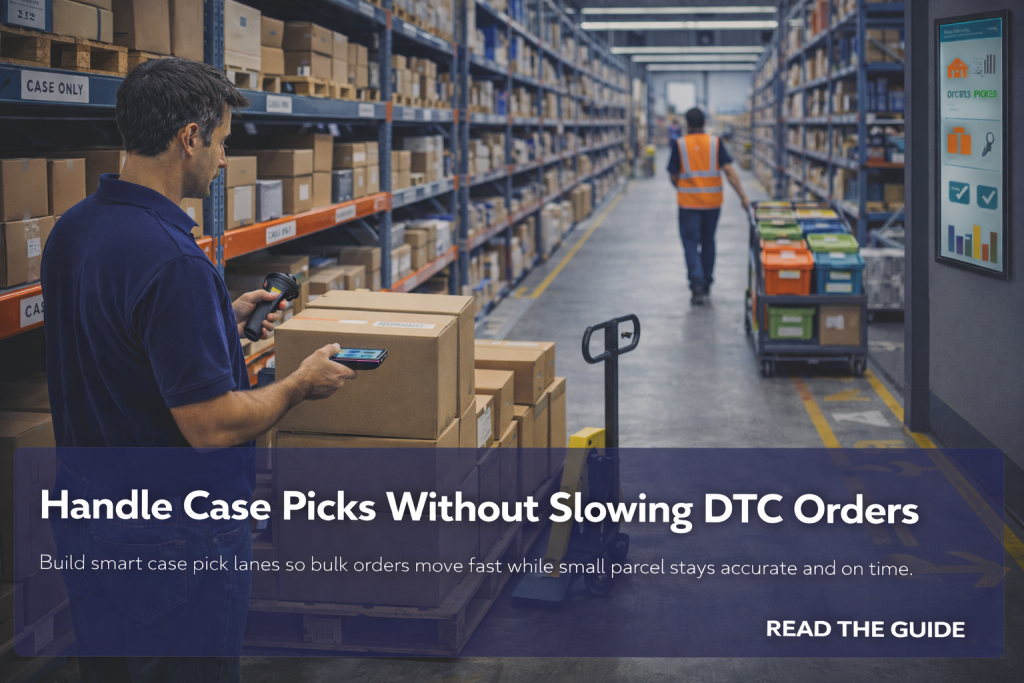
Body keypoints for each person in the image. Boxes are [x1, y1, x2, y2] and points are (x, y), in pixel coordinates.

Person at [40, 58, 355, 682]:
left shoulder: (74, 229)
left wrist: (220, 320)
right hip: (172, 537)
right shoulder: (172, 259)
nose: (223, 160)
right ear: (190, 137)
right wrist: (297, 385)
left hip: (90, 518)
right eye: (223, 142)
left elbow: (118, 351)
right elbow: (210, 427)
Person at [668, 107, 750, 305]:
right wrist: (742, 196)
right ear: (704, 123)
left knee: (690, 243)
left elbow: (673, 175)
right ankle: (706, 282)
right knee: (708, 241)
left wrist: (683, 187)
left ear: (686, 125)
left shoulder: (679, 144)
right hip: (712, 204)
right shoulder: (715, 143)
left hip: (688, 205)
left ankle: (697, 286)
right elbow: (729, 170)